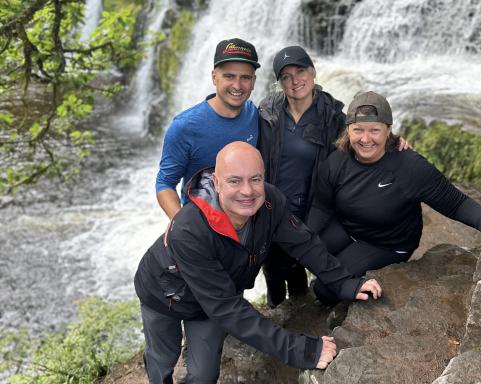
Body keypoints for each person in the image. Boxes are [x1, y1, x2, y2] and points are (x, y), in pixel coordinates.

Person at [134, 142, 382, 383]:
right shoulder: (189, 231)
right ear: (216, 182)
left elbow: (304, 243)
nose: (247, 191)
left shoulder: (269, 202)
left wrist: (346, 283)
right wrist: (301, 350)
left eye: (255, 179)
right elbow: (227, 308)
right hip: (163, 295)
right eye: (234, 180)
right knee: (163, 357)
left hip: (211, 301)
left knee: (203, 375)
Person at [306, 90, 481, 306]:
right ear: (348, 130)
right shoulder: (337, 161)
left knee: (324, 290)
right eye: (358, 130)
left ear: (388, 130)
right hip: (349, 227)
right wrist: (306, 236)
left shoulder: (409, 167)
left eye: (374, 130)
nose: (365, 139)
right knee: (304, 255)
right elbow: (321, 206)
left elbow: (455, 201)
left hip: (385, 244)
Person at [257, 47, 410, 308]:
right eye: (286, 76)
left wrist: (393, 143)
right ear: (280, 82)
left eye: (301, 71)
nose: (295, 80)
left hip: (309, 210)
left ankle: (299, 314)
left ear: (313, 72)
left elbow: (360, 139)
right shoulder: (267, 112)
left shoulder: (332, 116)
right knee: (273, 272)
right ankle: (276, 319)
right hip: (271, 208)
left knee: (298, 266)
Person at [155, 38, 260, 220]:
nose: (237, 85)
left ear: (253, 82)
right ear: (214, 77)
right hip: (201, 226)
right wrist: (180, 226)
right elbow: (164, 183)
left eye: (245, 78)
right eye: (229, 76)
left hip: (246, 225)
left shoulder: (255, 114)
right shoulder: (184, 126)